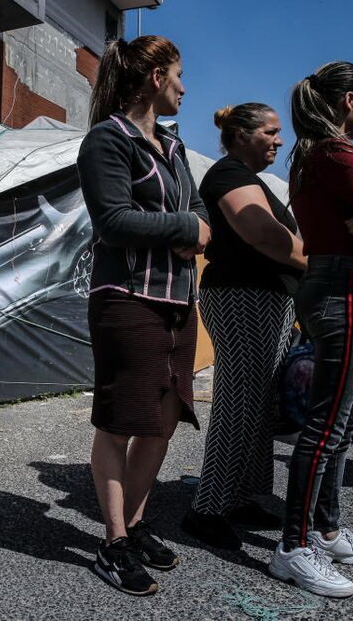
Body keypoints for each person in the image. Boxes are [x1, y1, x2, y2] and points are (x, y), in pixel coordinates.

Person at [76, 35, 211, 596]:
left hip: (179, 302)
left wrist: (195, 226)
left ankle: (132, 525)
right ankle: (112, 542)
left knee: (161, 418)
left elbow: (199, 209)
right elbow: (112, 220)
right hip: (127, 299)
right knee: (119, 420)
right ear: (156, 77)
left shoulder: (175, 148)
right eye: (179, 74)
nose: (185, 86)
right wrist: (184, 230)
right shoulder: (107, 140)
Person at [270, 62, 353, 598]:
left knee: (340, 422)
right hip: (343, 287)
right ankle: (294, 546)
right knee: (327, 427)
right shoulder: (339, 153)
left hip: (330, 284)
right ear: (348, 100)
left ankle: (323, 529)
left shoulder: (306, 157)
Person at [182, 103, 306, 550]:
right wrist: (316, 264)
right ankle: (207, 508)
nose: (279, 140)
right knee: (240, 401)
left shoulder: (250, 179)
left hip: (265, 300)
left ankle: (240, 495)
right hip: (241, 297)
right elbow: (262, 234)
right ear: (240, 135)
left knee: (258, 402)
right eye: (270, 132)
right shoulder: (229, 175)